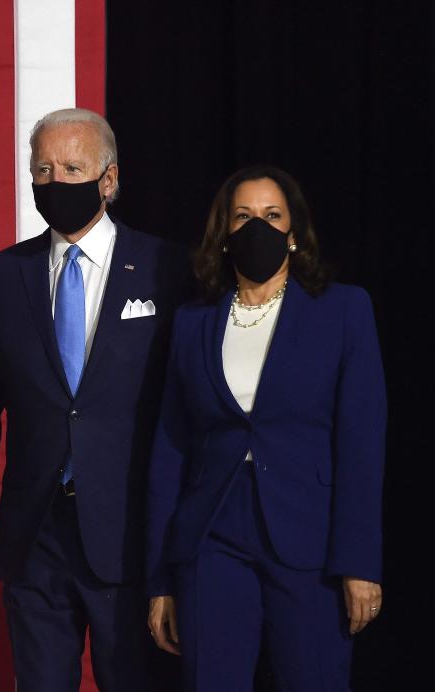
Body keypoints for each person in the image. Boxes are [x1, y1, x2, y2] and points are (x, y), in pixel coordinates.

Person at [0, 107, 190, 691]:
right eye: (43, 170)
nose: (55, 182)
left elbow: (187, 412)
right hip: (36, 537)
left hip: (132, 539)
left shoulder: (167, 269)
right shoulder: (4, 276)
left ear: (108, 180)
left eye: (72, 168)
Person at [146, 164, 386, 691]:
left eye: (272, 216)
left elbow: (362, 446)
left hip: (310, 543)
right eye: (244, 216)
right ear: (225, 235)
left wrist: (360, 564)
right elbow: (171, 450)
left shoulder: (344, 311)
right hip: (212, 539)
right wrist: (160, 578)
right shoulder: (192, 322)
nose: (259, 226)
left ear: (294, 234)